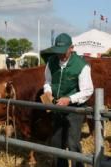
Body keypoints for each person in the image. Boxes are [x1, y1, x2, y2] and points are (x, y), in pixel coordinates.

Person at [43, 33, 94, 167]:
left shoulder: (82, 66)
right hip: (57, 106)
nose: (60, 55)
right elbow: (47, 81)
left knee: (73, 143)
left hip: (74, 109)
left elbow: (88, 90)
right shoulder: (51, 62)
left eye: (63, 51)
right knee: (56, 141)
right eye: (58, 52)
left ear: (71, 48)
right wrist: (47, 91)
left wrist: (69, 99)